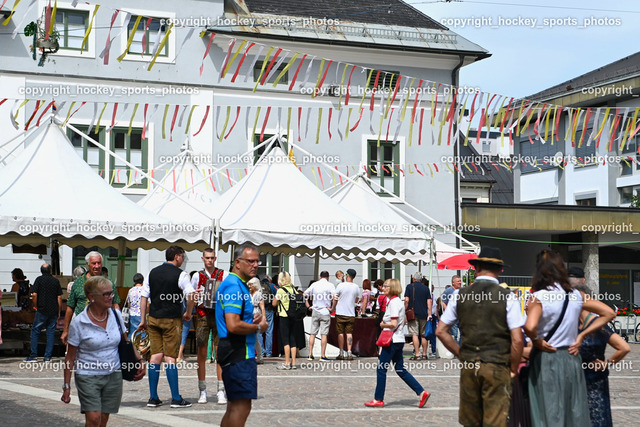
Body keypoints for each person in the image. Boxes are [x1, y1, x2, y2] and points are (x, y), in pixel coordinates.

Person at [524, 249, 615, 427]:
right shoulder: (576, 295)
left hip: (547, 357)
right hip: (572, 357)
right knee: (574, 411)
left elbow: (529, 326)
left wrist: (537, 341)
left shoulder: (539, 297)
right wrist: (582, 335)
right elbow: (609, 313)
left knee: (548, 411)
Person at [436, 247, 524, 427]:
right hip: (497, 364)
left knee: (471, 421)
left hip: (469, 365)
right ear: (500, 270)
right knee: (496, 420)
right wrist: (513, 368)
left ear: (476, 268)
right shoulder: (508, 297)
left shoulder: (460, 294)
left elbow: (441, 331)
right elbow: (517, 339)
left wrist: (461, 354)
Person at [61, 276, 145, 426]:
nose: (110, 297)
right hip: (88, 375)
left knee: (103, 419)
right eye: (106, 294)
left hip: (113, 374)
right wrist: (67, 386)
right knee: (94, 418)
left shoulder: (116, 315)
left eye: (111, 293)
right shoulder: (79, 322)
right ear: (92, 297)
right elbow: (70, 357)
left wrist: (140, 360)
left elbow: (126, 341)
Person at [216, 243, 267, 427]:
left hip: (235, 350)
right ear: (237, 262)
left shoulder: (237, 285)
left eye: (257, 261)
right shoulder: (233, 286)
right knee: (241, 406)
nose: (255, 265)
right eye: (250, 261)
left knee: (233, 406)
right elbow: (233, 324)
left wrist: (254, 319)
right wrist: (259, 327)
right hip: (239, 352)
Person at [137, 245, 195, 408]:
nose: (183, 260)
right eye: (182, 256)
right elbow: (191, 295)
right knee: (170, 358)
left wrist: (143, 320)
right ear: (176, 256)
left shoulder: (152, 273)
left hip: (153, 319)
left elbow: (144, 297)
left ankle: (153, 397)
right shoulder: (181, 275)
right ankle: (176, 398)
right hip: (171, 320)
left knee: (155, 357)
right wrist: (189, 312)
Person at [365, 278, 430, 409]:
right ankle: (421, 392)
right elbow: (404, 320)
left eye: (386, 286)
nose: (383, 287)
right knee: (400, 369)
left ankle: (378, 399)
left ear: (392, 287)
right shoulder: (397, 302)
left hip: (391, 340)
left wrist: (383, 324)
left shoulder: (393, 303)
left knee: (381, 369)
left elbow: (394, 323)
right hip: (398, 339)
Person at [579, 302, 631, 427]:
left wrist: (606, 364)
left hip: (594, 381)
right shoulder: (572, 324)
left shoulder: (598, 324)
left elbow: (624, 348)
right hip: (576, 379)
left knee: (597, 417)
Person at [191, 248, 227, 404]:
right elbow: (190, 295)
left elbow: (228, 293)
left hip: (219, 316)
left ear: (215, 258)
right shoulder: (196, 276)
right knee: (202, 353)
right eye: (207, 258)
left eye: (212, 258)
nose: (210, 260)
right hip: (203, 315)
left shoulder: (223, 274)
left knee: (220, 354)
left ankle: (220, 390)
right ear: (202, 258)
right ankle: (202, 390)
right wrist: (197, 294)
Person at [62, 252, 121, 345]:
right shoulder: (78, 283)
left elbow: (115, 304)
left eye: (99, 263)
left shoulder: (108, 282)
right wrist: (65, 330)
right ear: (87, 265)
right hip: (81, 327)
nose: (97, 266)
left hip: (103, 327)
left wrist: (119, 325)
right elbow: (70, 307)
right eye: (94, 263)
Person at [24, 264, 62, 362]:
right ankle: (47, 356)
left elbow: (34, 294)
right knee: (50, 332)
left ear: (41, 271)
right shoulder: (55, 281)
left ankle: (33, 356)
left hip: (41, 309)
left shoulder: (39, 280)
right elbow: (59, 297)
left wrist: (35, 306)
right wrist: (59, 310)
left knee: (35, 331)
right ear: (50, 270)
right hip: (53, 310)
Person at [304, 271, 336, 361]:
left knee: (312, 333)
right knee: (324, 334)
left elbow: (304, 294)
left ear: (320, 276)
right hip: (325, 311)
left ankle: (310, 354)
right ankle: (322, 355)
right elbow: (335, 297)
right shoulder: (330, 285)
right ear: (328, 277)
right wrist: (332, 308)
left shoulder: (314, 284)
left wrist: (308, 306)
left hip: (315, 310)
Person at [273, 271, 302, 369]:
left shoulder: (280, 290)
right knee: (293, 339)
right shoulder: (294, 290)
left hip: (284, 316)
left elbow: (274, 303)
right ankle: (293, 362)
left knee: (285, 340)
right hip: (293, 316)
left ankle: (286, 363)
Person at [332, 268, 361, 360]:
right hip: (351, 313)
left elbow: (335, 297)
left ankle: (341, 352)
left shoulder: (341, 285)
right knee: (349, 333)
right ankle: (349, 352)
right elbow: (357, 299)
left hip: (340, 312)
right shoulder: (356, 287)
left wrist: (333, 307)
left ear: (347, 275)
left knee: (340, 333)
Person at [405, 272, 432, 360]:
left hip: (413, 313)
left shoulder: (409, 287)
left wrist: (405, 310)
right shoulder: (426, 288)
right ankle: (424, 354)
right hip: (423, 313)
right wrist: (430, 314)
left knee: (415, 334)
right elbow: (429, 302)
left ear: (414, 279)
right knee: (424, 334)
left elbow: (406, 300)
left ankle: (417, 354)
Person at [248, 278, 265, 364]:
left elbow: (262, 307)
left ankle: (258, 356)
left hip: (255, 315)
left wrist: (263, 318)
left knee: (253, 337)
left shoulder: (258, 294)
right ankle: (258, 356)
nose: (249, 286)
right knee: (253, 337)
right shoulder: (248, 293)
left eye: (251, 284)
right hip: (248, 315)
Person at [441, 275, 461, 344]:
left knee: (463, 333)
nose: (460, 282)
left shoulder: (462, 290)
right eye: (458, 281)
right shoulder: (448, 291)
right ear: (453, 282)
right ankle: (455, 351)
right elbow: (443, 302)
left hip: (461, 315)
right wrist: (448, 311)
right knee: (454, 334)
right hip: (453, 316)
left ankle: (460, 348)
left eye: (460, 281)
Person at [259, 277, 276, 357]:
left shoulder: (257, 285)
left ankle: (261, 352)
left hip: (259, 310)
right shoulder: (272, 286)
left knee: (259, 332)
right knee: (269, 331)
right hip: (269, 309)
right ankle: (269, 352)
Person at [125, 273, 145, 341]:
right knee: (142, 334)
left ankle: (131, 349)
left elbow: (128, 303)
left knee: (132, 334)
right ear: (142, 281)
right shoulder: (144, 290)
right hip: (141, 314)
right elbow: (147, 304)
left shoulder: (131, 290)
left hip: (132, 315)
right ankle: (141, 350)